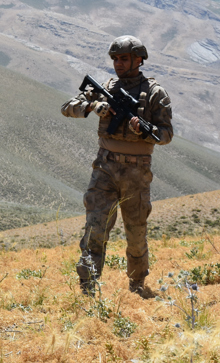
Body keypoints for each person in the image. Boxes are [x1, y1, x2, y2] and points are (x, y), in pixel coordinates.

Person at [61, 35, 173, 297]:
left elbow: (166, 135)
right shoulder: (106, 87)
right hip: (105, 169)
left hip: (137, 172)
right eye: (115, 59)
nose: (118, 64)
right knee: (95, 230)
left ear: (139, 59)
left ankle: (137, 287)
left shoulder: (155, 93)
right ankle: (87, 290)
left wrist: (145, 131)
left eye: (124, 58)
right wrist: (93, 105)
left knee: (135, 234)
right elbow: (67, 107)